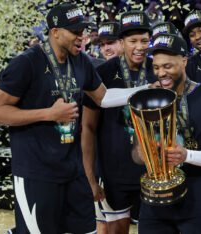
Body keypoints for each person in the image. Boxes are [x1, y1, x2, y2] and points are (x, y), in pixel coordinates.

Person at [0, 3, 150, 233]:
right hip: (37, 172)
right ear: (55, 32)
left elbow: (103, 98)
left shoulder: (81, 61)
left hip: (73, 171)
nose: (82, 37)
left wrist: (144, 90)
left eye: (83, 31)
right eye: (75, 32)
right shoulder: (27, 62)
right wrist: (49, 114)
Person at [133, 33, 201, 234]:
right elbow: (135, 152)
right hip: (154, 204)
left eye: (167, 66)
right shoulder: (147, 100)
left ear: (184, 60)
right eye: (157, 67)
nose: (161, 73)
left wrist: (187, 155)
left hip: (197, 203)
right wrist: (142, 155)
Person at [82, 10, 156, 234]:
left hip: (154, 170)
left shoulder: (158, 68)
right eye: (133, 41)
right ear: (122, 42)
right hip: (114, 173)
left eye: (144, 40)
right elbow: (88, 127)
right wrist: (90, 176)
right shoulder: (102, 73)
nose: (139, 46)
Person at [82, 21, 124, 234]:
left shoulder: (146, 69)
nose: (107, 48)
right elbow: (87, 125)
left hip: (134, 159)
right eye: (103, 44)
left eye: (112, 42)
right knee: (104, 221)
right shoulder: (93, 71)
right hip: (102, 159)